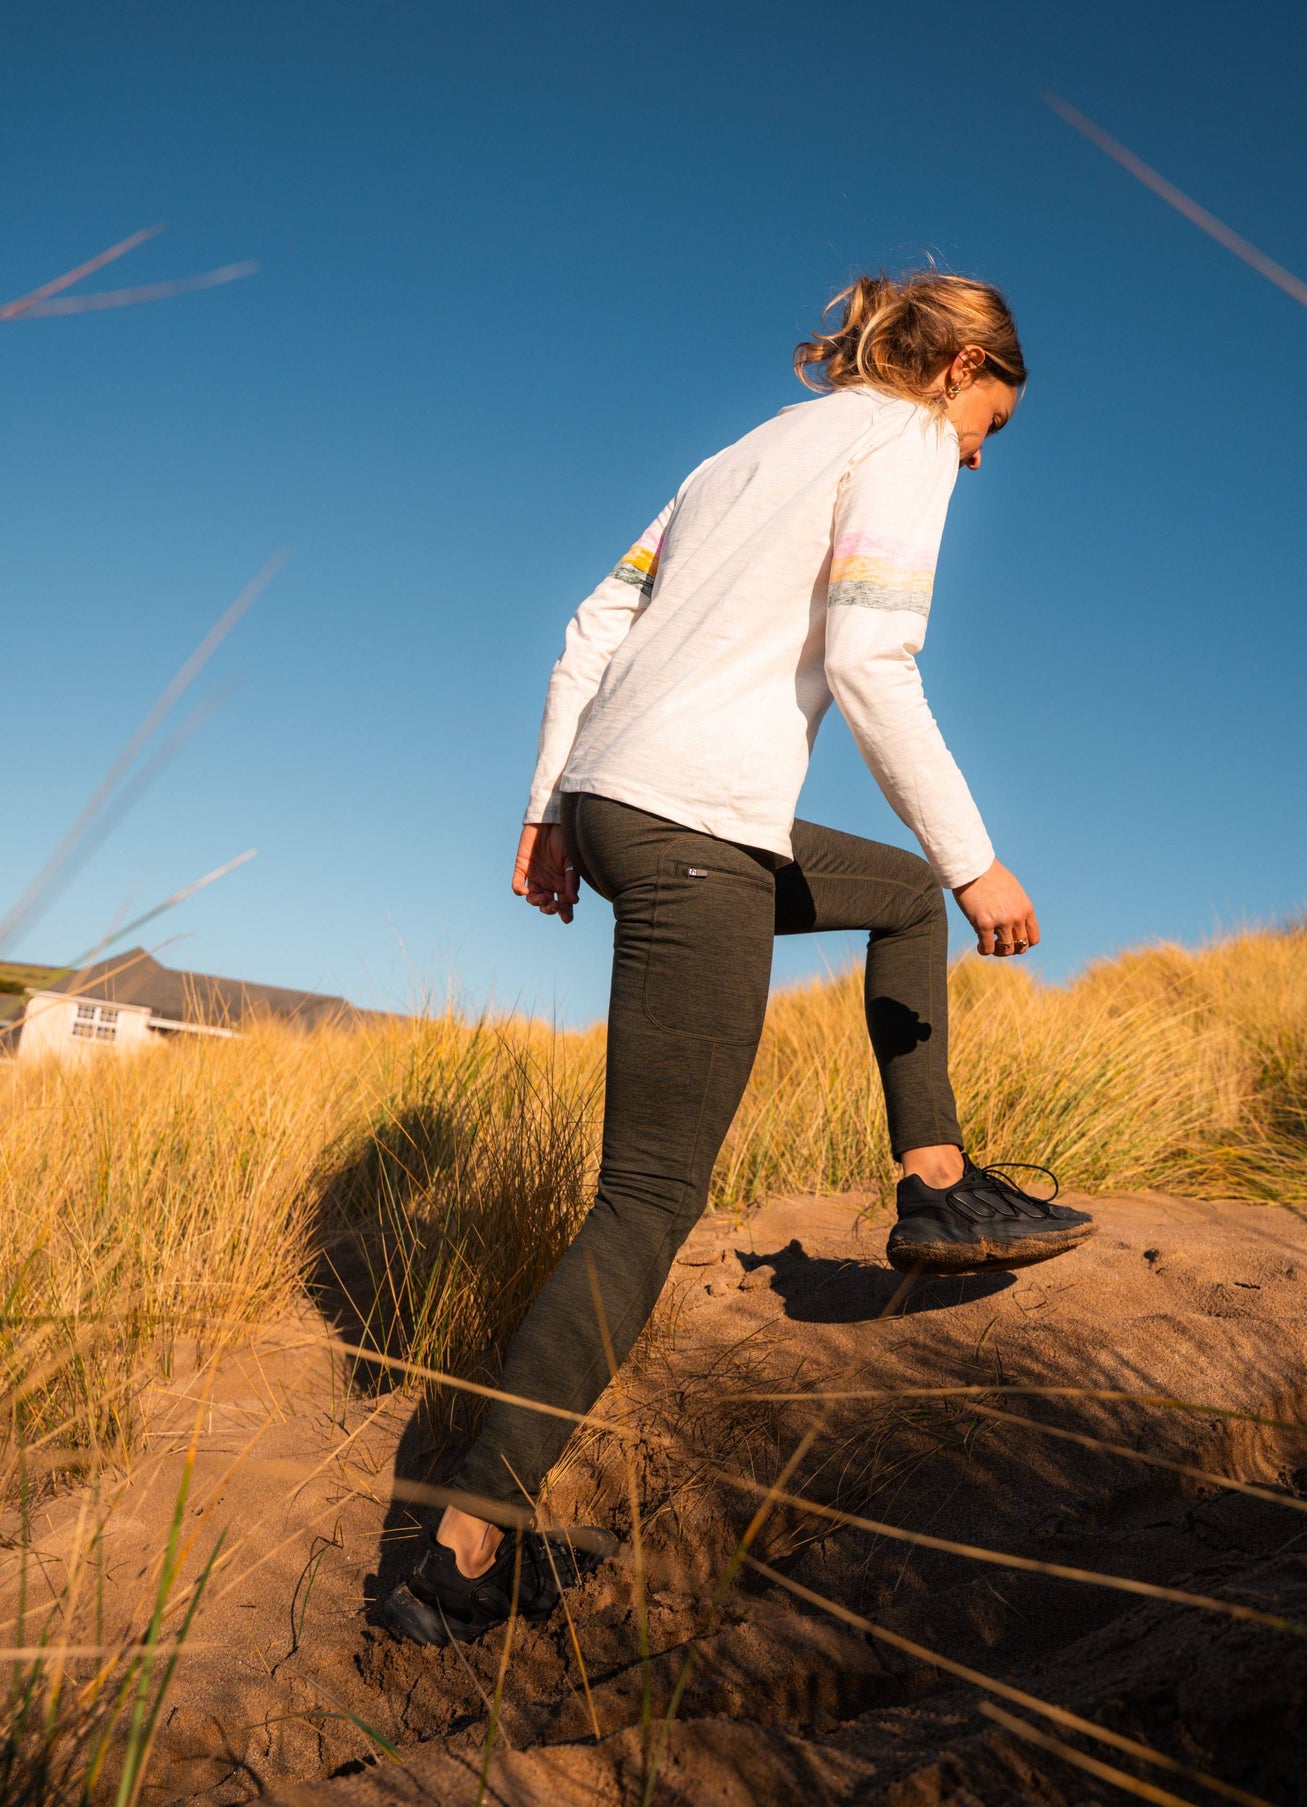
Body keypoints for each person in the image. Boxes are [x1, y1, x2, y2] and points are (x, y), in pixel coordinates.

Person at [383, 268, 1095, 1647]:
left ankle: (936, 1184)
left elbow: (592, 623)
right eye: (987, 427)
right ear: (955, 370)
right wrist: (974, 853)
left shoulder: (739, 453)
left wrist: (548, 809)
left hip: (621, 802)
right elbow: (875, 660)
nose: (976, 454)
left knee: (891, 902)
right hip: (695, 821)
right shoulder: (896, 440)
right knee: (646, 1198)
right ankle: (463, 1554)